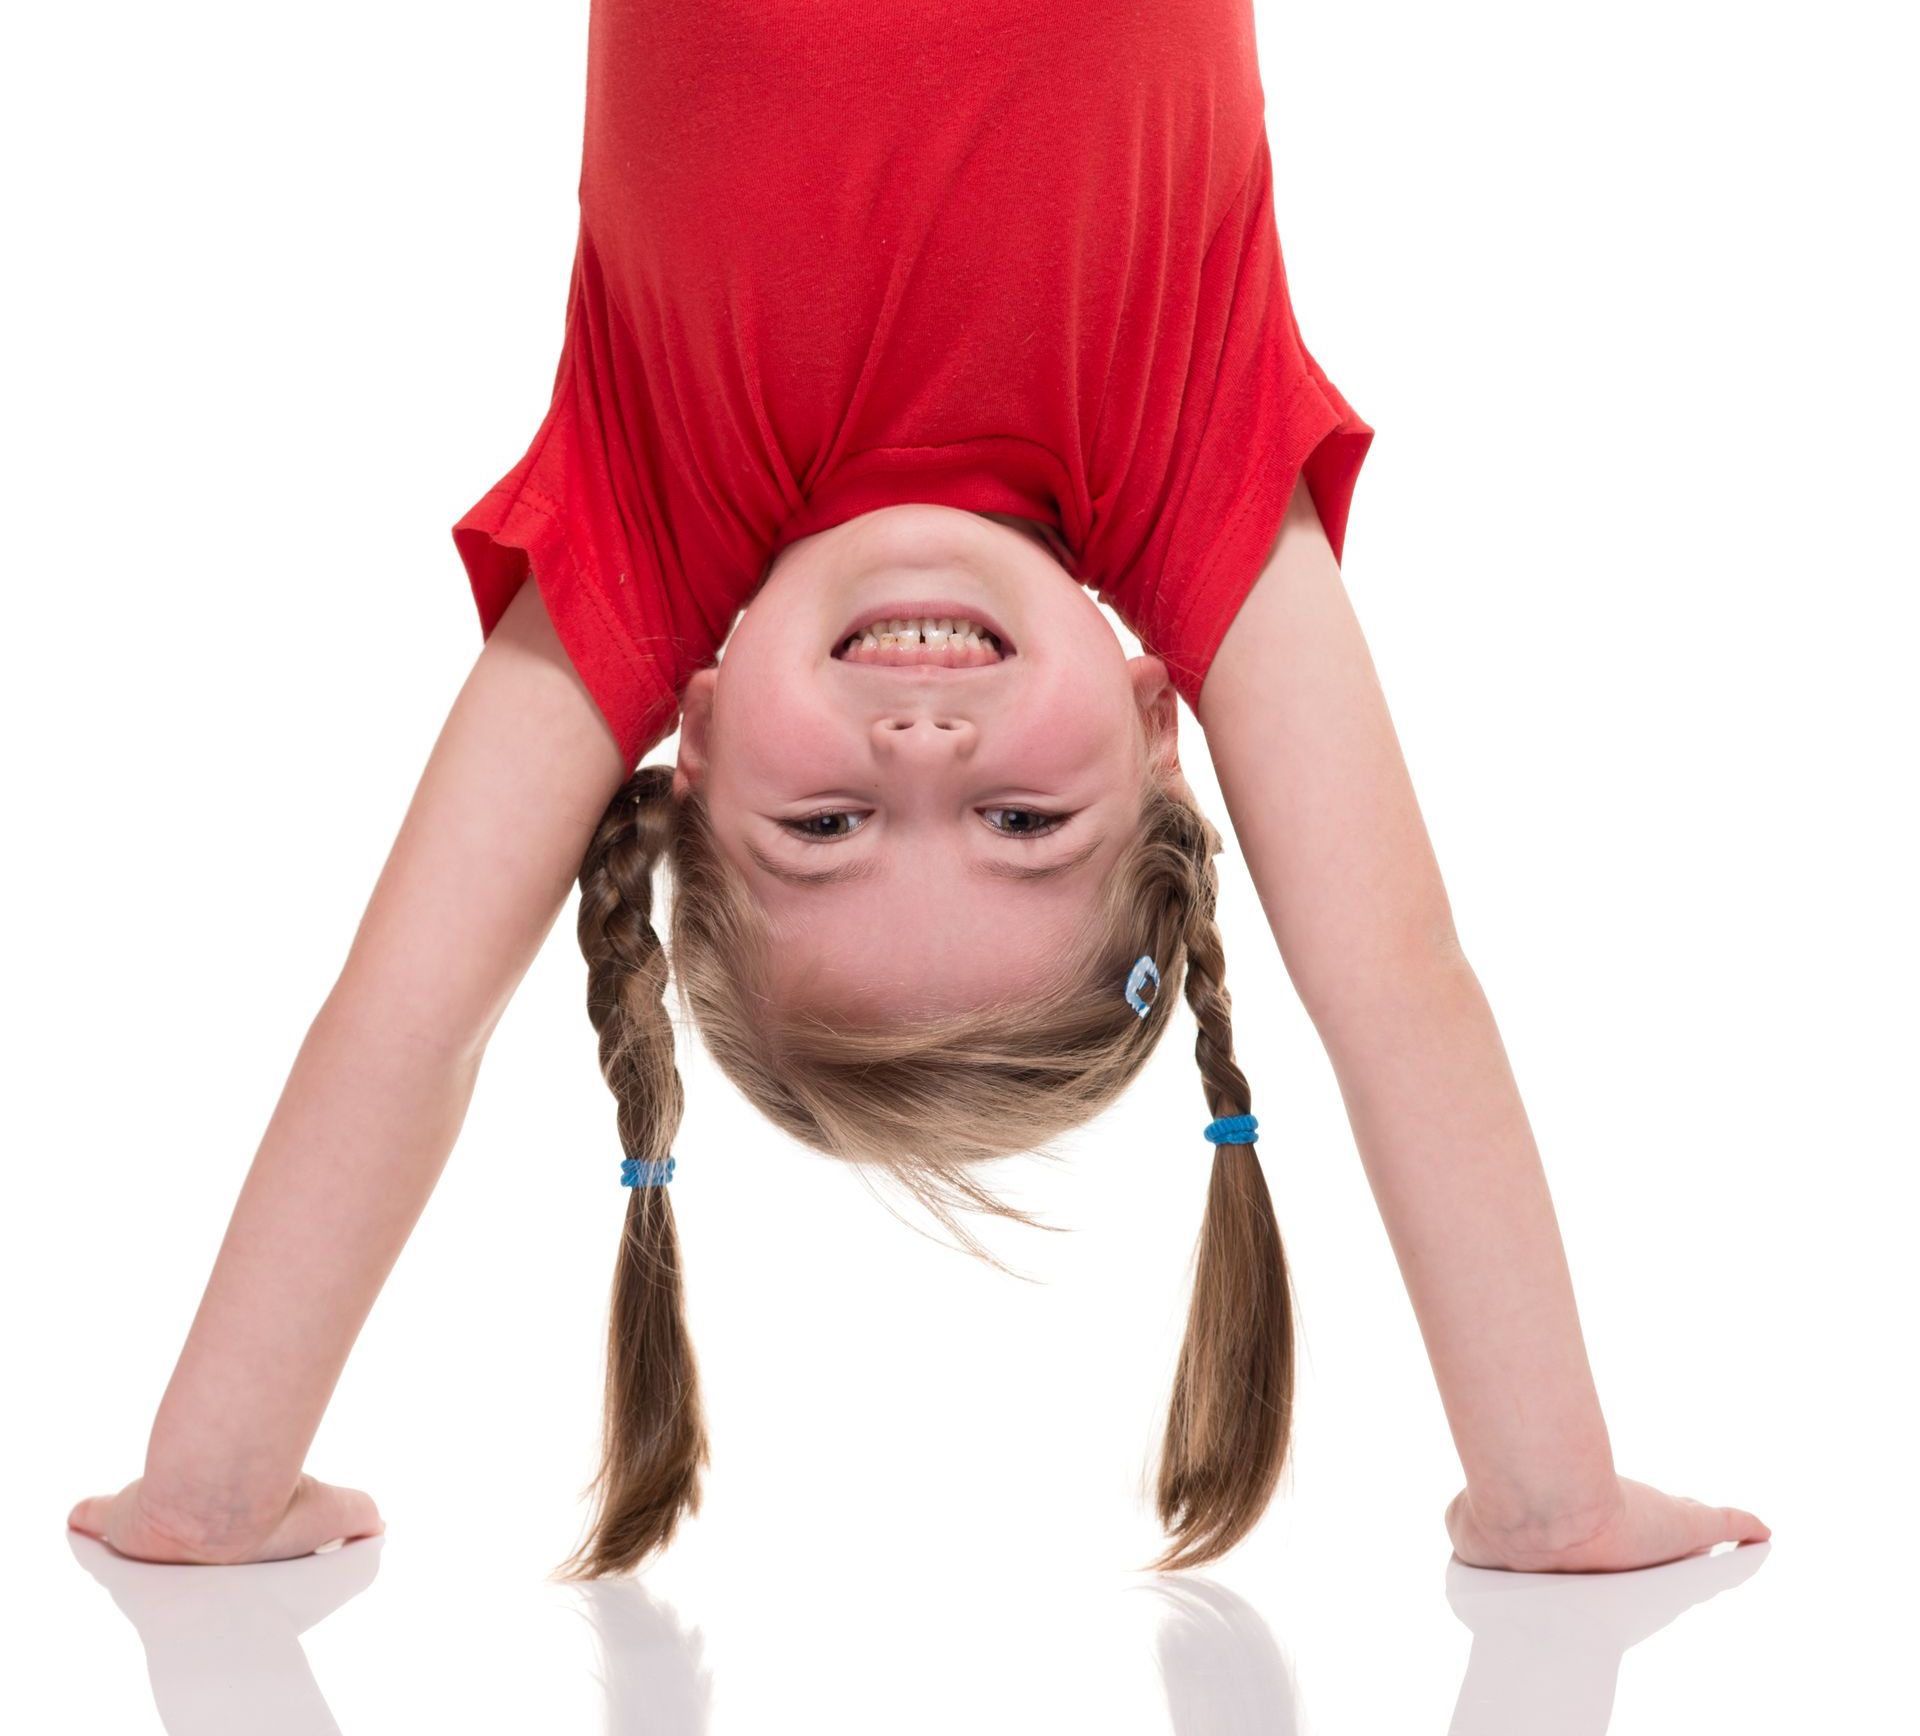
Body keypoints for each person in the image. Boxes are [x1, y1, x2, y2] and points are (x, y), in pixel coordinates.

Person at [68, 0, 1769, 1579]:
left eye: (824, 831)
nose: (921, 757)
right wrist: (1547, 1492)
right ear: (1160, 732)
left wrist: (218, 1483)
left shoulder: (651, 521)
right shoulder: (1192, 467)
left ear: (699, 743)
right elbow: (1396, 982)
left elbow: (408, 1014)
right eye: (1026, 826)